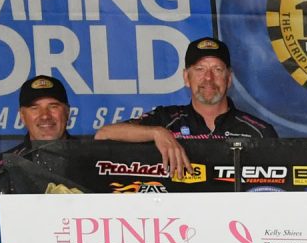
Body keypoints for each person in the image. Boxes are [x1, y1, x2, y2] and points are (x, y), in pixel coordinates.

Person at [95, 36, 279, 179]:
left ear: (229, 78)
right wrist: (157, 133)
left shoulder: (259, 131)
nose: (208, 78)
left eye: (217, 69)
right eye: (199, 69)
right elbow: (104, 133)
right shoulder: (167, 119)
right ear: (186, 77)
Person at [0, 74, 85, 192]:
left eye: (53, 106)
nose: (45, 115)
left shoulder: (93, 159)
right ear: (22, 116)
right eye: (34, 108)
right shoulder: (3, 166)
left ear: (67, 112)